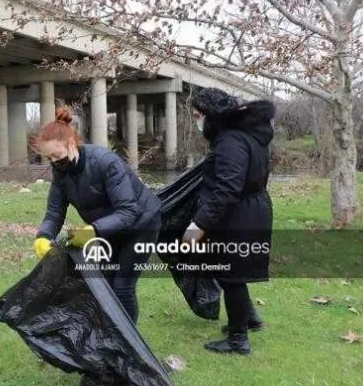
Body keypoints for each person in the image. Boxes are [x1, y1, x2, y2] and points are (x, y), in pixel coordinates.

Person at [33, 105, 162, 325]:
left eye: (57, 155)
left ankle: (129, 345)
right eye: (49, 158)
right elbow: (55, 211)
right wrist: (43, 236)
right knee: (104, 283)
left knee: (123, 286)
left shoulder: (104, 162)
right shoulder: (61, 172)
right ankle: (111, 334)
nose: (54, 162)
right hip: (107, 230)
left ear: (72, 144)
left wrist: (93, 230)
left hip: (141, 225)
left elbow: (128, 210)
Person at [182, 87, 274, 355]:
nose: (196, 120)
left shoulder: (230, 141)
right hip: (251, 208)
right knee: (231, 270)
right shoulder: (248, 133)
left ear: (212, 115)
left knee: (231, 275)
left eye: (198, 115)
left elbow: (226, 189)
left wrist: (198, 225)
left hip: (239, 213)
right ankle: (250, 318)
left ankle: (238, 340)